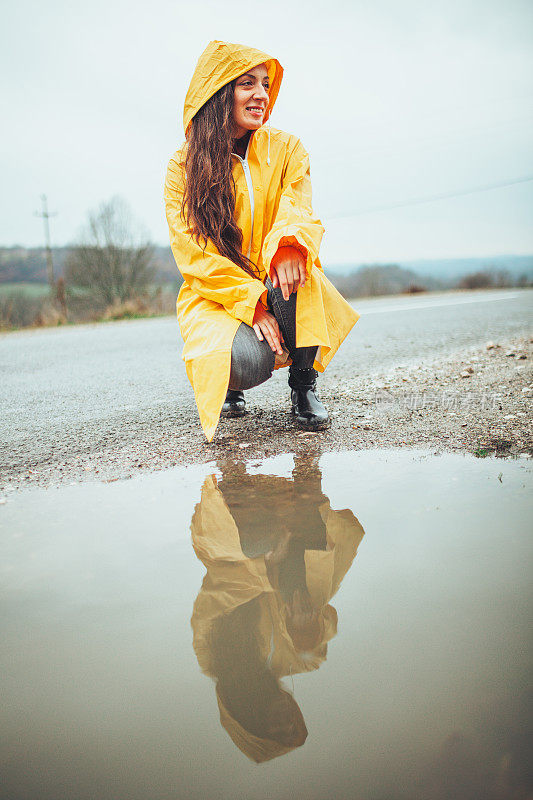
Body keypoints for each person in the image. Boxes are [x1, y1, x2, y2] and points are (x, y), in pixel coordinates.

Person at [164, 41, 360, 442]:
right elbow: (193, 255)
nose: (261, 95)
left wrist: (289, 244)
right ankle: (229, 386)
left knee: (300, 270)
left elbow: (297, 204)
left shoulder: (288, 149)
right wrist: (252, 305)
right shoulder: (182, 167)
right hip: (218, 295)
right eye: (246, 84)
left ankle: (303, 385)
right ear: (218, 92)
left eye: (266, 85)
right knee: (240, 360)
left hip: (276, 281)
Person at [190, 454, 365, 762]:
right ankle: (307, 466)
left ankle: (234, 468)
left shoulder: (213, 658)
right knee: (314, 579)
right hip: (284, 553)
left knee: (258, 544)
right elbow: (318, 647)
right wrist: (305, 628)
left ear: (251, 720)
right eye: (293, 723)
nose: (286, 719)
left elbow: (219, 592)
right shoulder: (294, 663)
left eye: (277, 728)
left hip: (235, 554)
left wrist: (266, 565)